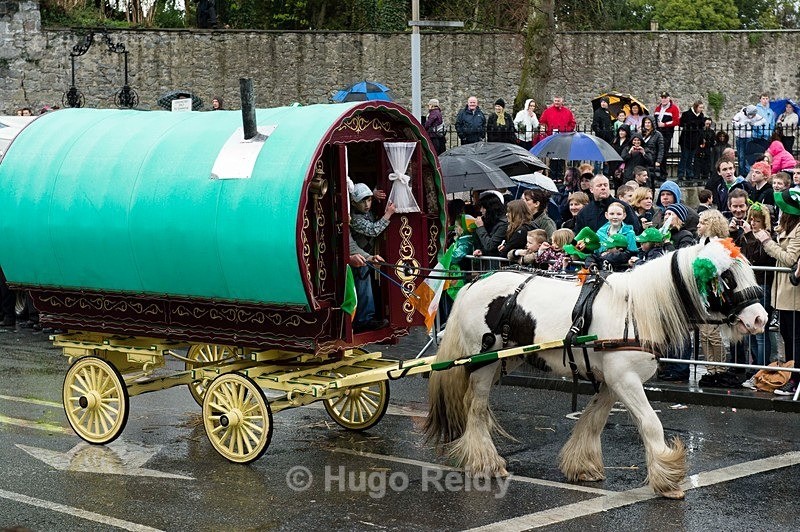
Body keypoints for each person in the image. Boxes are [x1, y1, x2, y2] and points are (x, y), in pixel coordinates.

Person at [755, 188, 800, 396]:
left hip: (793, 293)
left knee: (794, 337)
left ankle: (795, 378)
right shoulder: (786, 227)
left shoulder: (798, 229)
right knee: (786, 334)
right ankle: (789, 375)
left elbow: (790, 259)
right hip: (781, 292)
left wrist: (767, 241)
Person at [734, 203, 775, 388]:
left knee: (760, 331)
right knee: (749, 330)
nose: (753, 223)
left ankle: (761, 370)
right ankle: (754, 369)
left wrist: (751, 235)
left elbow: (759, 257)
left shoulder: (766, 237)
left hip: (763, 285)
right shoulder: (746, 236)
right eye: (751, 219)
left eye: (757, 220)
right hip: (750, 286)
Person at [694, 209, 733, 387]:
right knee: (704, 334)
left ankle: (720, 369)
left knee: (713, 334)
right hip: (702, 294)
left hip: (715, 295)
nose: (698, 226)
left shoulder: (719, 244)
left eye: (702, 223)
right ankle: (710, 370)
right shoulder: (702, 242)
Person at [349, 183, 395, 332]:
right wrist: (388, 214)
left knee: (367, 286)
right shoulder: (354, 218)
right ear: (353, 203)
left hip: (367, 257)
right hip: (359, 258)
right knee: (362, 286)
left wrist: (375, 194)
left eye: (369, 200)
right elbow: (373, 230)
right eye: (362, 201)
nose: (367, 204)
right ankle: (363, 320)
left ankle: (366, 317)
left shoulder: (366, 212)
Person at [573, 174, 641, 234]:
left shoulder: (624, 207)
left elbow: (635, 229)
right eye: (599, 185)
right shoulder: (584, 212)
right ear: (591, 189)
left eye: (605, 185)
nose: (603, 188)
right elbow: (579, 236)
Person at [732, 104, 766, 176]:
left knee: (748, 156)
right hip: (740, 137)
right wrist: (742, 124)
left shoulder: (755, 115)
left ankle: (748, 173)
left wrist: (754, 124)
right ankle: (741, 173)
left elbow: (763, 120)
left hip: (749, 137)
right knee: (741, 156)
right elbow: (733, 123)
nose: (752, 116)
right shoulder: (739, 115)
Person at [472, 190, 508, 257]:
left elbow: (490, 246)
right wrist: (481, 251)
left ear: (490, 209)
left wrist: (480, 227)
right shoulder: (489, 221)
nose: (481, 211)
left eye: (483, 208)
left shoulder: (503, 224)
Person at [653, 91, 680, 173]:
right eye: (662, 98)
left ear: (669, 98)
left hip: (667, 132)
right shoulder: (658, 108)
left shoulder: (674, 108)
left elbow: (676, 121)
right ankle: (656, 170)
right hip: (657, 131)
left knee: (664, 152)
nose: (663, 99)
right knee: (656, 151)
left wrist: (664, 124)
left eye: (665, 98)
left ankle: (663, 172)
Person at [677, 100, 705, 179]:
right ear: (696, 107)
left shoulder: (701, 115)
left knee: (691, 158)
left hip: (695, 140)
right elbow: (682, 124)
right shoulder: (686, 114)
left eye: (702, 108)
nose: (701, 109)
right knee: (684, 157)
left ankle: (689, 173)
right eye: (700, 107)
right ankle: (681, 173)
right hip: (686, 139)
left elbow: (701, 128)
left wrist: (701, 140)